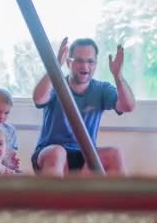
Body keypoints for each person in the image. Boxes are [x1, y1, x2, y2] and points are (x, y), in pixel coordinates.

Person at [31, 38, 136, 177]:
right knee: (58, 152)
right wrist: (55, 66)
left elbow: (128, 106)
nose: (85, 66)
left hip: (86, 155)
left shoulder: (102, 89)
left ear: (95, 64)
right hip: (51, 154)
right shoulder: (56, 84)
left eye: (90, 61)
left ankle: (119, 199)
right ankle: (52, 198)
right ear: (69, 63)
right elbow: (38, 98)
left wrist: (118, 76)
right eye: (79, 60)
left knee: (114, 154)